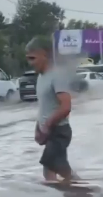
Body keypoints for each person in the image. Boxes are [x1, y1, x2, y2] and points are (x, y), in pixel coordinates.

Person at [25, 36, 75, 185]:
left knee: (54, 169)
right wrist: (38, 128)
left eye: (32, 58)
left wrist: (48, 125)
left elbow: (66, 106)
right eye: (28, 59)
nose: (30, 63)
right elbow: (44, 107)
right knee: (57, 170)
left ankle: (83, 196)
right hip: (50, 132)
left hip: (59, 131)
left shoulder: (57, 76)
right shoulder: (41, 78)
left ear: (44, 54)